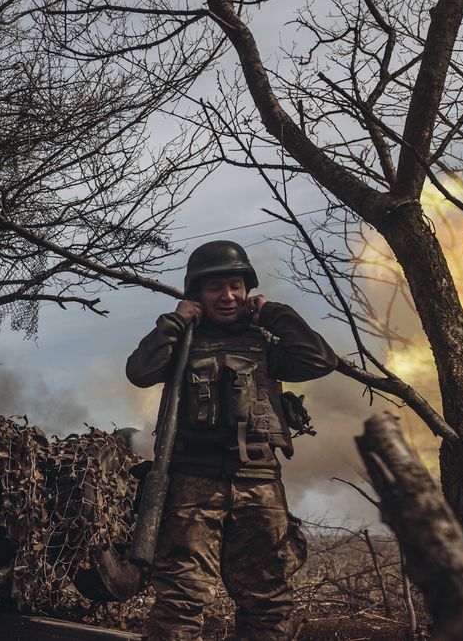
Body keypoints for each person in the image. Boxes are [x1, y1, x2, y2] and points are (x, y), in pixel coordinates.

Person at [126, 240, 337, 640]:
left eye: (236, 286)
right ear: (196, 295)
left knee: (268, 601)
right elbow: (140, 371)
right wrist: (173, 323)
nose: (228, 296)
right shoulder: (183, 341)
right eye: (215, 288)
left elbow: (319, 360)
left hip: (259, 484)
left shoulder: (265, 342)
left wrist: (275, 314)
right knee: (180, 601)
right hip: (192, 484)